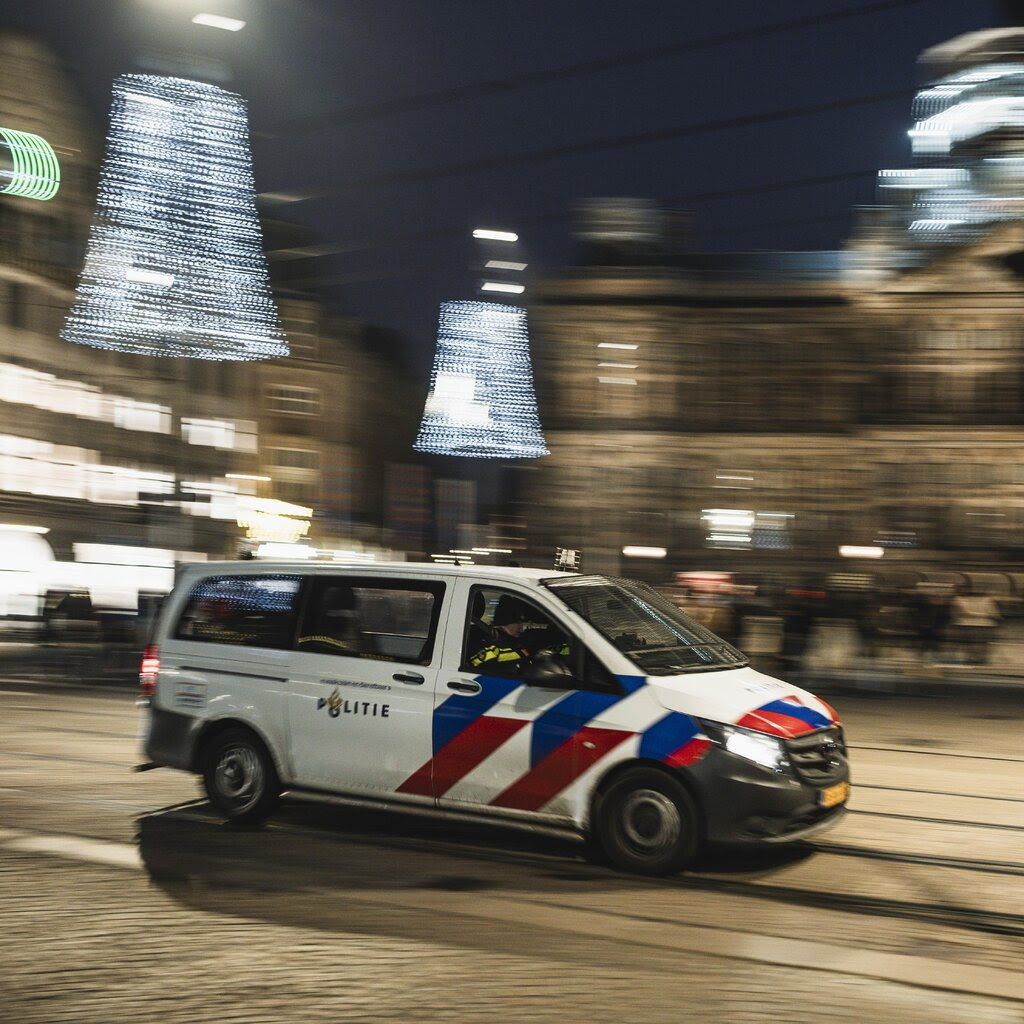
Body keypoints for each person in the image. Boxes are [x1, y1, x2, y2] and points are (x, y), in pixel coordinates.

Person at [469, 595, 568, 672]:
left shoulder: (518, 642)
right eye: (517, 622)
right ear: (504, 623)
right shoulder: (491, 646)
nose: (521, 627)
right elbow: (481, 672)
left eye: (521, 622)